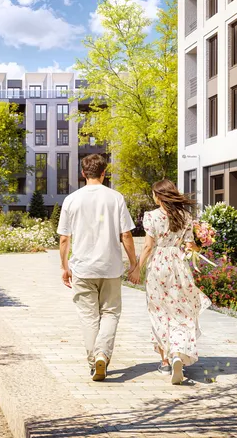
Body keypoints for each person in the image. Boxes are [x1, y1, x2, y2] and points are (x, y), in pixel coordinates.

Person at [58, 154, 136, 381]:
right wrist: (133, 263)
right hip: (111, 268)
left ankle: (94, 360)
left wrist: (64, 266)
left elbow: (64, 238)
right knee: (111, 313)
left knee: (88, 317)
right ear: (104, 173)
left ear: (83, 173)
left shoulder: (72, 200)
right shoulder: (116, 198)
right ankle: (102, 353)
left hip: (82, 268)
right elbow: (126, 234)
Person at [128, 179, 211, 385]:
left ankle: (165, 361)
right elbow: (191, 247)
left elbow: (148, 246)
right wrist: (205, 240)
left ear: (159, 196)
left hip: (158, 267)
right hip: (178, 266)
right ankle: (177, 354)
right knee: (181, 312)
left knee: (159, 312)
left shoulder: (152, 216)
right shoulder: (186, 217)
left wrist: (137, 267)